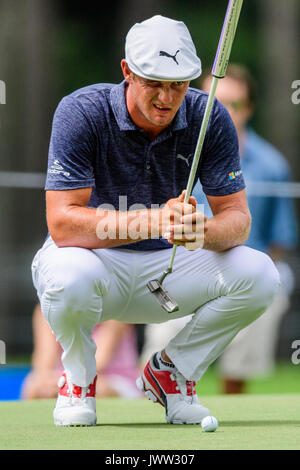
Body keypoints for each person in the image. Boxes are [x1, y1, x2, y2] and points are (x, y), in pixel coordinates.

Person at [31, 15, 280, 426]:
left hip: (169, 267)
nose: (166, 98)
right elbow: (63, 224)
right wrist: (156, 222)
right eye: (154, 83)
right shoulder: (81, 111)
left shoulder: (210, 115)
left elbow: (238, 221)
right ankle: (77, 379)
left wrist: (202, 232)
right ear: (127, 72)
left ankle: (173, 371)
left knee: (261, 274)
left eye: (178, 85)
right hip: (96, 264)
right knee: (66, 273)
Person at [193, 64, 297, 393]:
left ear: (249, 109)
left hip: (246, 267)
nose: (222, 112)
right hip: (185, 264)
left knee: (272, 285)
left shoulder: (272, 165)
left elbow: (279, 241)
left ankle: (234, 392)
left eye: (233, 104)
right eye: (213, 102)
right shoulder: (176, 154)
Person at [21, 304, 142, 399]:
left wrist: (66, 383)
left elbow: (95, 364)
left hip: (114, 380)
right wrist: (51, 381)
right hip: (62, 378)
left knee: (100, 389)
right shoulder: (46, 309)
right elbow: (44, 364)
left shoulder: (118, 308)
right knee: (34, 387)